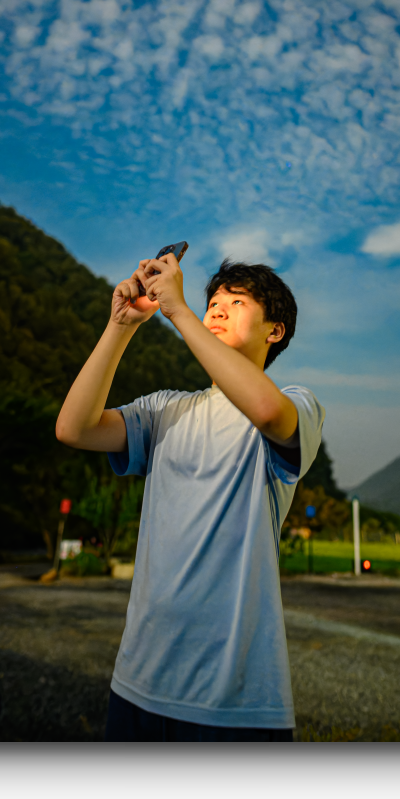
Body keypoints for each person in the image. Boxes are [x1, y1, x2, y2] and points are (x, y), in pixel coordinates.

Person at [55, 253, 325, 742]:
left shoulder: (298, 403)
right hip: (138, 681)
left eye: (237, 302)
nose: (217, 308)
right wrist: (120, 326)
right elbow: (74, 428)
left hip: (234, 705)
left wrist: (178, 311)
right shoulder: (166, 410)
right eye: (213, 302)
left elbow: (267, 412)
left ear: (275, 331)